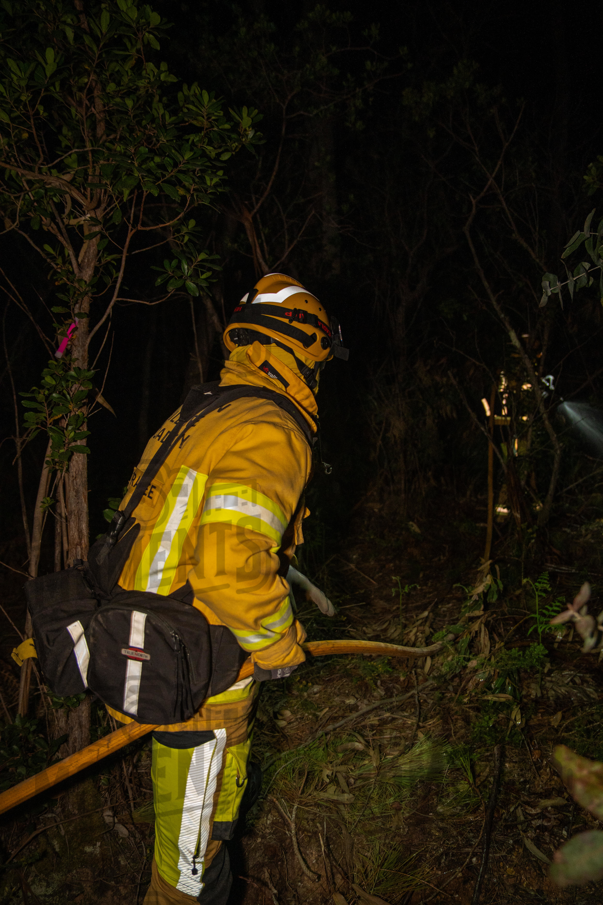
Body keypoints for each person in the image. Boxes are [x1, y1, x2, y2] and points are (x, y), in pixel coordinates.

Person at [107, 273, 347, 904]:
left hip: (152, 645)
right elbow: (228, 563)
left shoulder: (209, 411)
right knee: (192, 876)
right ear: (310, 350)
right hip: (204, 670)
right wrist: (280, 646)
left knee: (186, 847)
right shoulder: (271, 427)